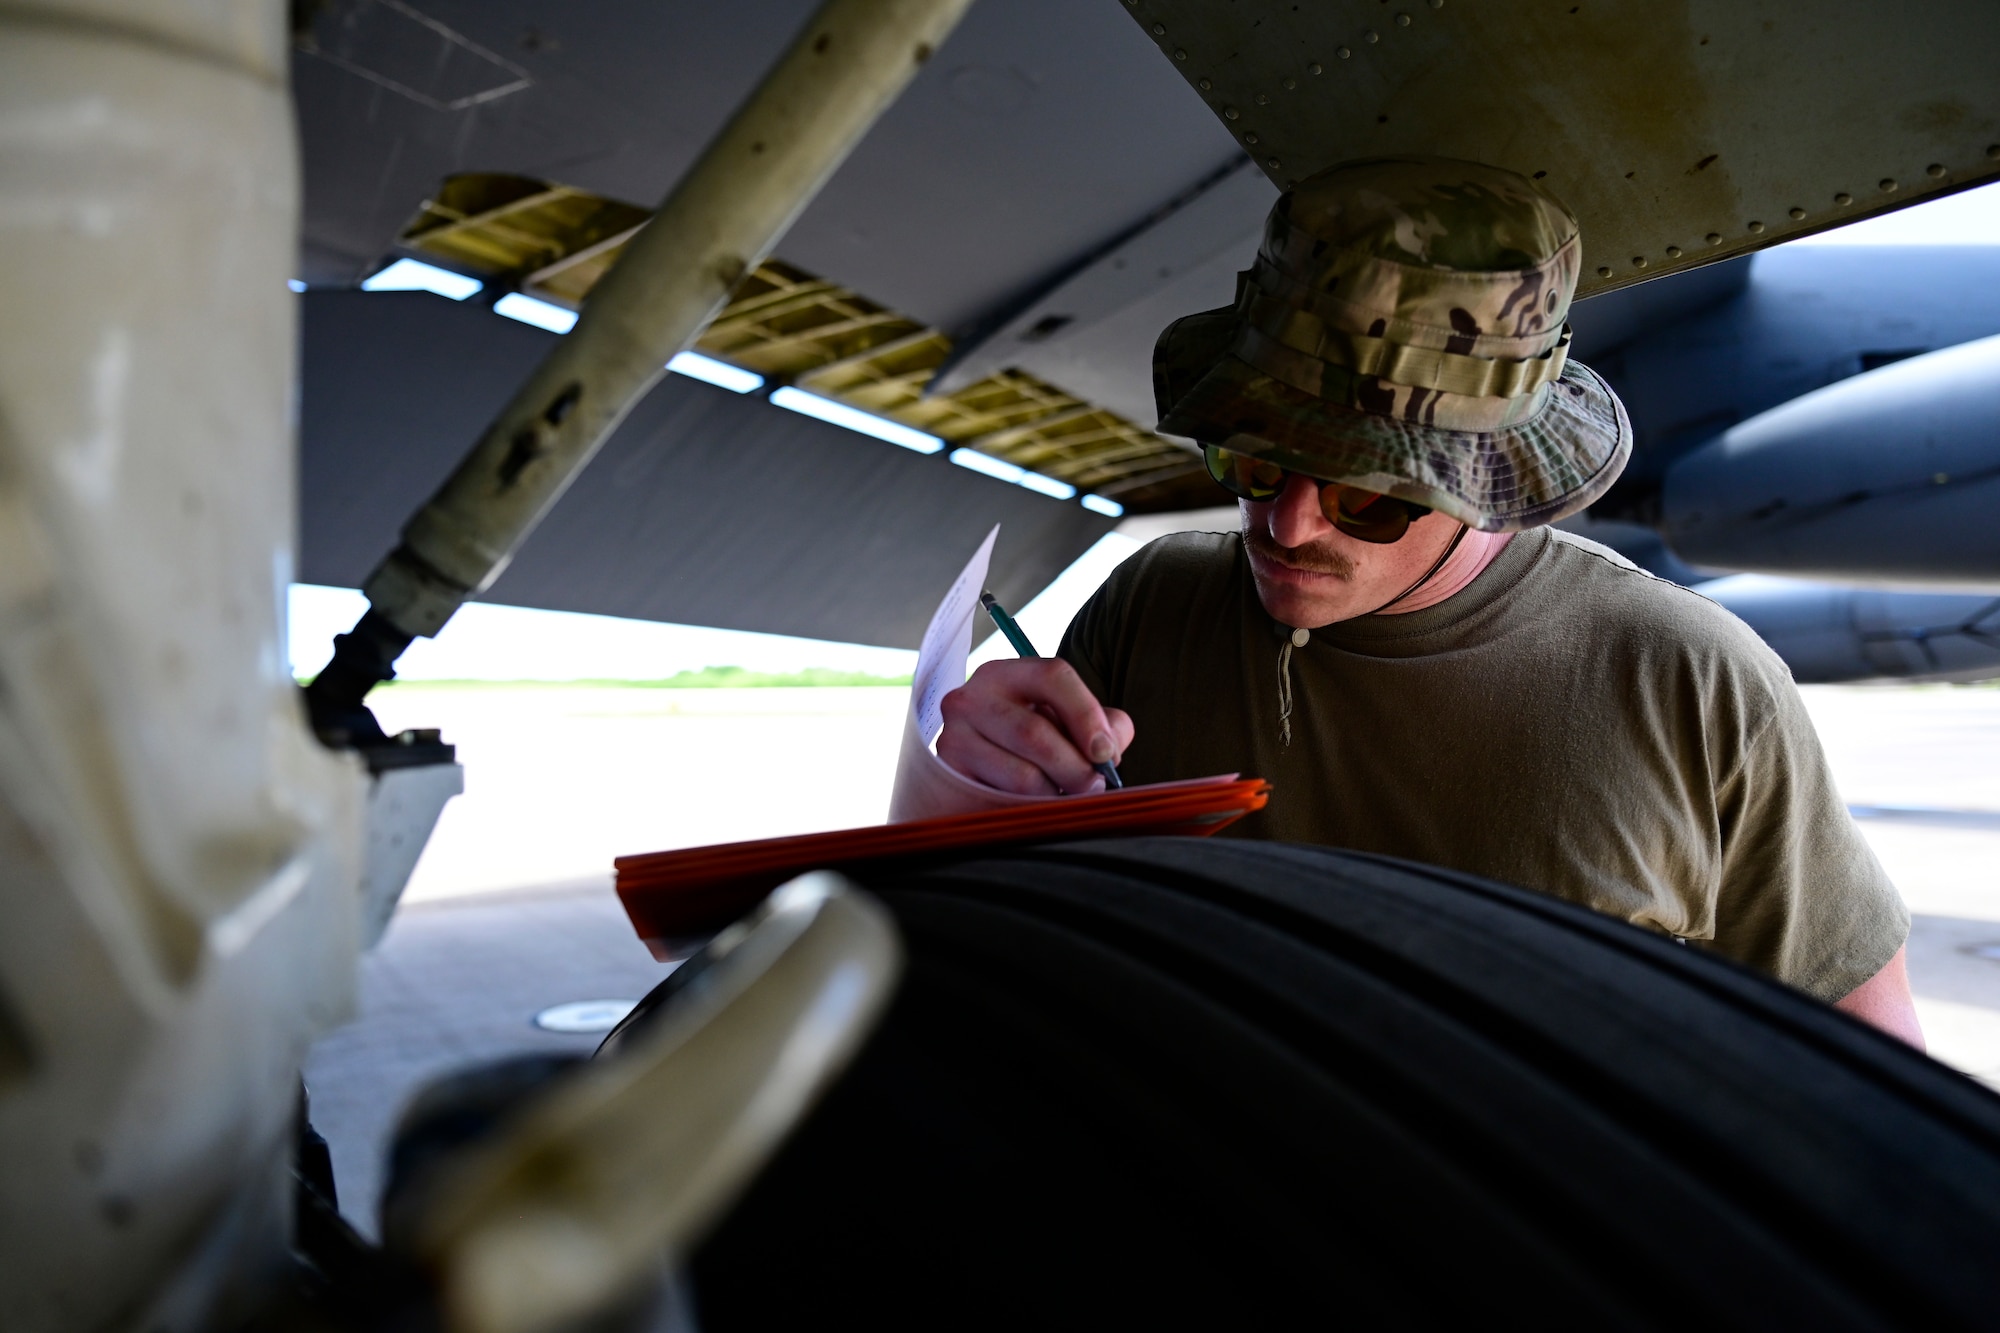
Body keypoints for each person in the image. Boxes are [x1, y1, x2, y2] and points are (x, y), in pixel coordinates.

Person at [936, 157, 1921, 1044]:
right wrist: (969, 797)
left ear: (1490, 481)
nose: (1284, 527)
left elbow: (1873, 1077)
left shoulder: (1689, 681)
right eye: (1252, 460)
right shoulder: (1152, 603)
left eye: (1365, 492)